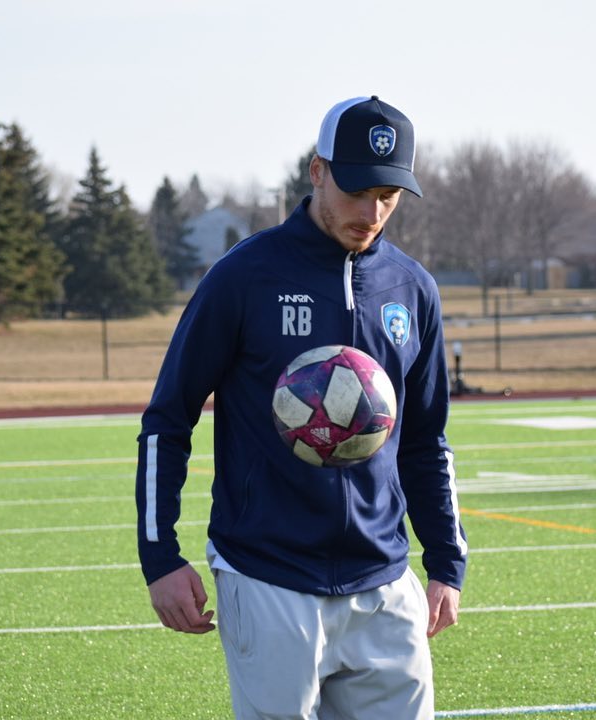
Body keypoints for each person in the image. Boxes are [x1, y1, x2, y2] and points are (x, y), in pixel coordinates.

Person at [135, 95, 467, 719]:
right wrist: (160, 558)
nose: (371, 212)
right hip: (267, 575)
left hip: (384, 582)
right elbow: (167, 419)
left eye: (389, 196)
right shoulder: (244, 277)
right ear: (317, 171)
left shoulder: (412, 289)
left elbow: (426, 441)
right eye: (357, 190)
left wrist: (445, 561)